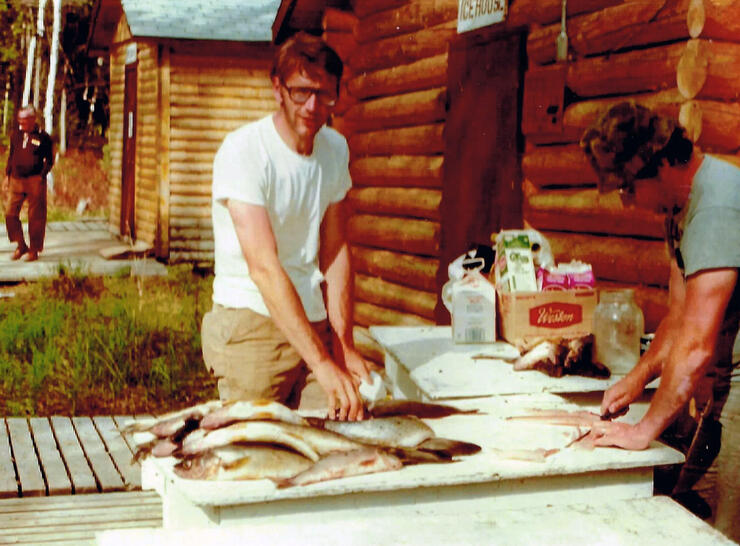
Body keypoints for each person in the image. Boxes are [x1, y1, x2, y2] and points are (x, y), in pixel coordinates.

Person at [581, 101, 740, 541]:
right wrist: (638, 377)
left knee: (713, 529)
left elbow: (696, 347)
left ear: (660, 166)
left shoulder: (717, 206)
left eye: (629, 187)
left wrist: (642, 432)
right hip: (727, 384)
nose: (627, 201)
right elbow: (679, 317)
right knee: (692, 506)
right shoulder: (678, 210)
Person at [201, 32, 373, 421]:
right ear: (277, 88)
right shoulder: (243, 151)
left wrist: (343, 345)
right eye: (301, 92)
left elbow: (335, 249)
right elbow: (263, 267)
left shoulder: (335, 149)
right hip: (251, 319)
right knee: (255, 446)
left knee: (346, 429)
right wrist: (324, 365)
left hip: (314, 322)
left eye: (325, 95)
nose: (313, 106)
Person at [2, 105, 54, 262]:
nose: (21, 124)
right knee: (10, 214)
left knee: (36, 217)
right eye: (19, 120)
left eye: (24, 120)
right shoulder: (15, 135)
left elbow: (50, 160)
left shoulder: (43, 137)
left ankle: (34, 250)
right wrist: (7, 175)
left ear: (33, 119)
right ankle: (20, 245)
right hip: (16, 180)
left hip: (35, 180)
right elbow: (12, 156)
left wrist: (42, 176)